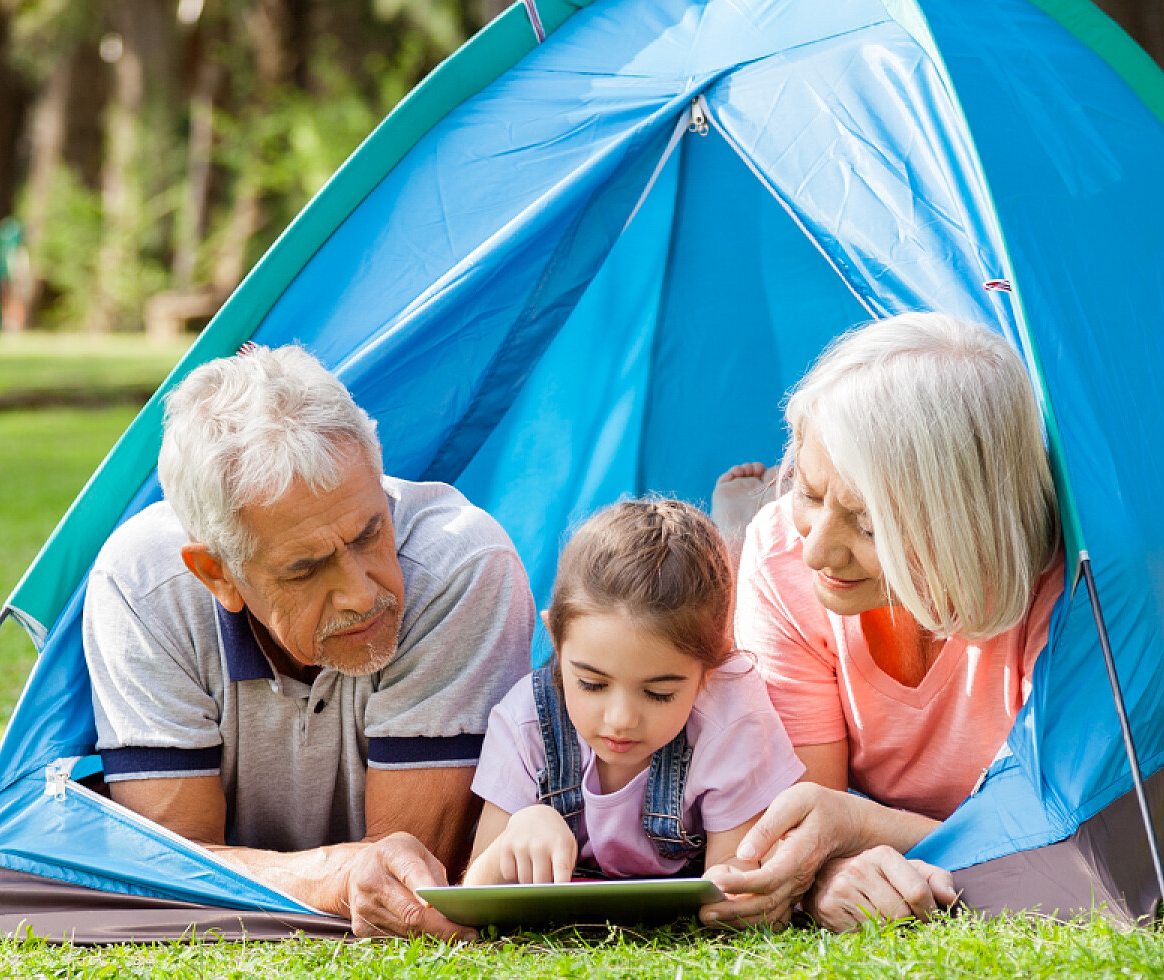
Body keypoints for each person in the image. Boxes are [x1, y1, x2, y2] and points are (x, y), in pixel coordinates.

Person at [81, 343, 535, 938]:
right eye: (305, 569)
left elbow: (410, 880)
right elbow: (172, 863)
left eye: (370, 533)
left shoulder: (460, 565)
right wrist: (333, 877)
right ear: (217, 574)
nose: (362, 595)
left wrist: (319, 877)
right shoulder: (141, 586)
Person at [702, 313, 1065, 931]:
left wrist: (861, 825)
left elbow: (1064, 832)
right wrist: (827, 868)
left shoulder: (1060, 591)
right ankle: (730, 525)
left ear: (969, 522)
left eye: (871, 526)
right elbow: (804, 814)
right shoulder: (783, 556)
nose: (817, 551)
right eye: (809, 494)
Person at [465, 500, 804, 886]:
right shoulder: (526, 723)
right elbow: (473, 893)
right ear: (556, 641)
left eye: (659, 693)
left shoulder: (730, 715)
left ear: (710, 671)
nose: (621, 719)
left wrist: (737, 886)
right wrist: (515, 837)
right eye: (592, 684)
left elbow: (738, 879)